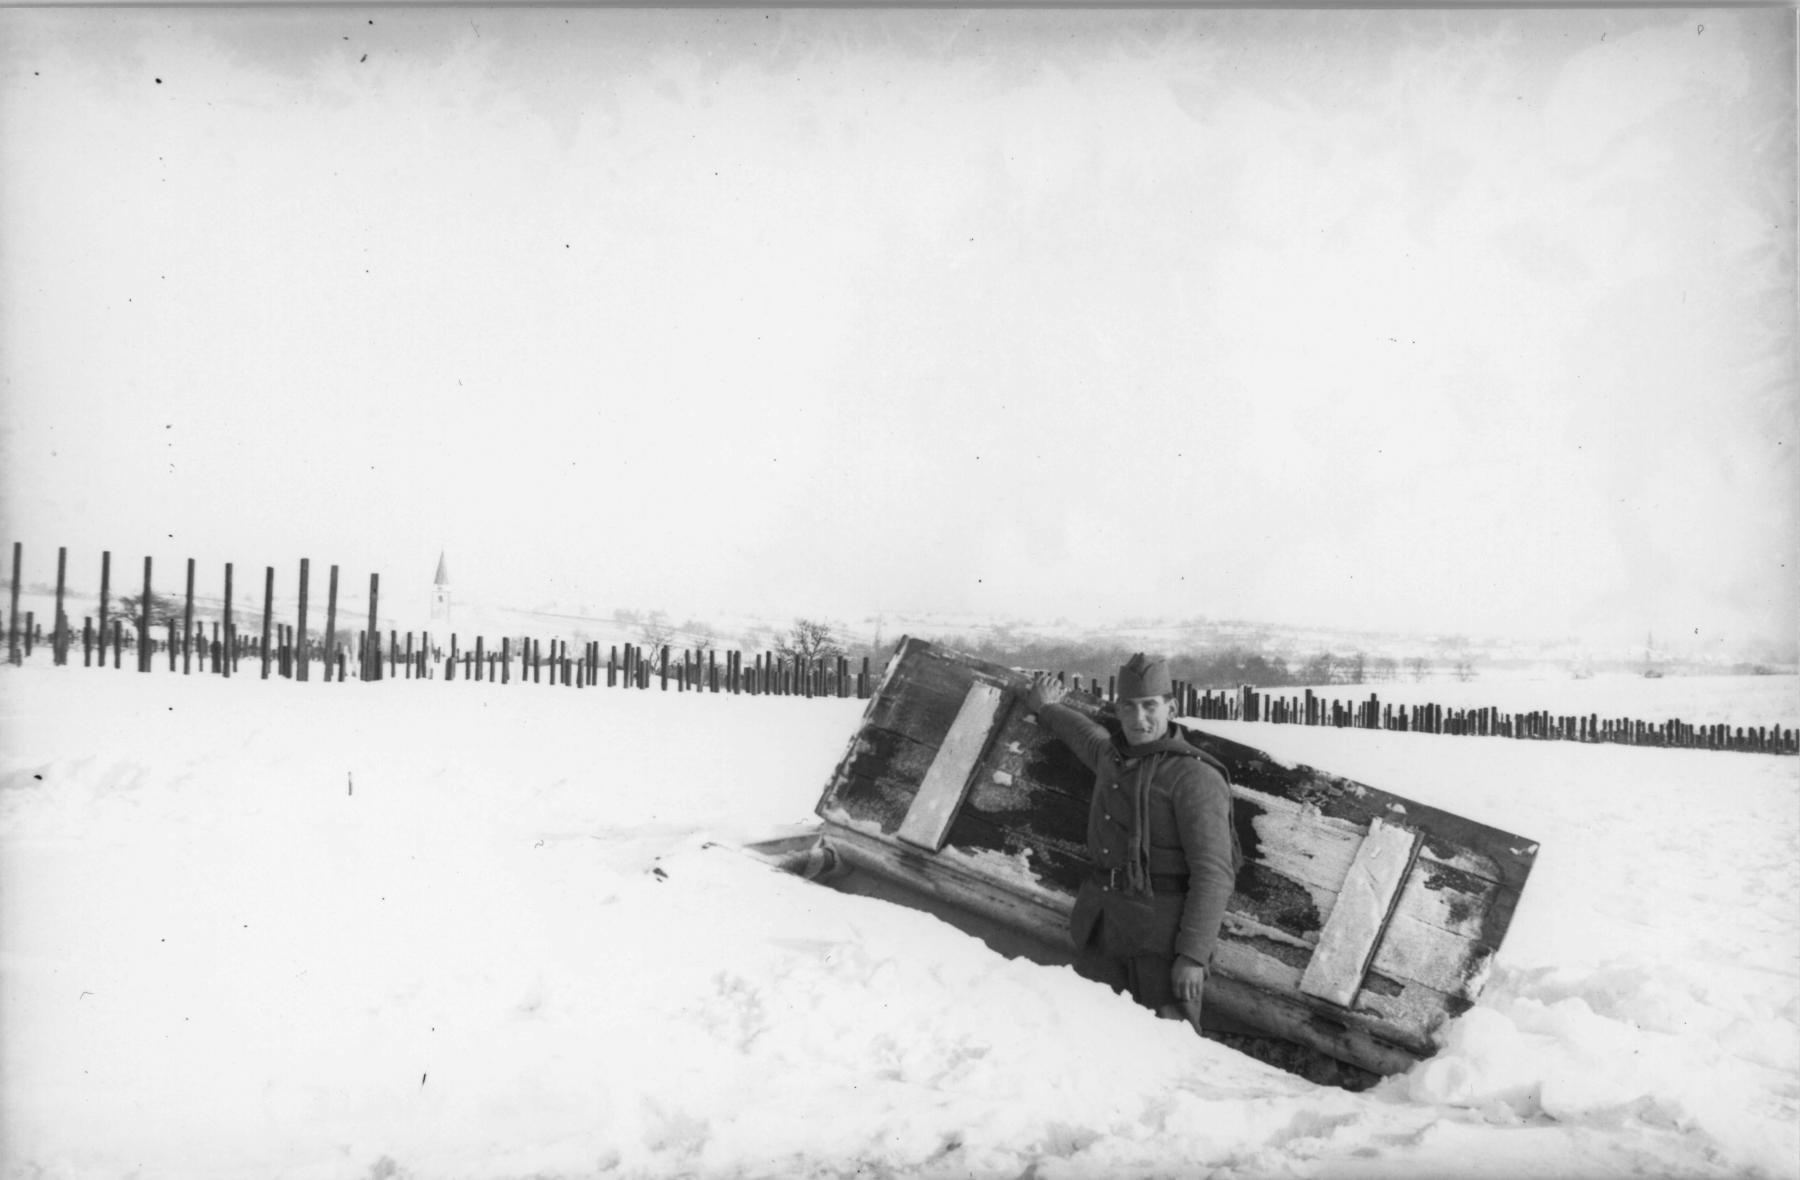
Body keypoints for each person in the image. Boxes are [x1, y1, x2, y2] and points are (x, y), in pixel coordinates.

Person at [1027, 653, 1238, 1030]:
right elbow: (1087, 736)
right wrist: (1048, 708)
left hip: (1160, 945)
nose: (1139, 719)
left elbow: (1214, 873)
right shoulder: (1115, 756)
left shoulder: (1194, 776)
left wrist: (1192, 956)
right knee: (1090, 1038)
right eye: (1129, 706)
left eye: (1150, 706)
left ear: (1170, 708)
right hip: (1104, 930)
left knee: (1166, 1053)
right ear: (1118, 709)